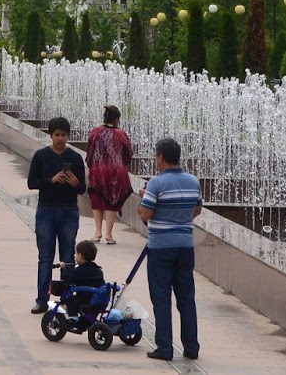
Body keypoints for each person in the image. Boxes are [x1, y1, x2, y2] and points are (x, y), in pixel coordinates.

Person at [138, 137, 203, 362]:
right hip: (185, 246)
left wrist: (143, 197)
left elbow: (145, 214)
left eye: (156, 156)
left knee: (161, 297)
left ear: (161, 157)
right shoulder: (193, 181)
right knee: (186, 298)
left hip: (161, 248)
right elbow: (196, 211)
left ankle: (165, 348)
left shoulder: (156, 183)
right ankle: (192, 348)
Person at [27, 116, 86, 313]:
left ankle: (67, 300)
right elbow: (32, 182)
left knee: (68, 258)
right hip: (46, 210)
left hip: (69, 211)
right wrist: (51, 180)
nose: (60, 139)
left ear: (68, 136)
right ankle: (42, 300)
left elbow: (82, 189)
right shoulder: (41, 156)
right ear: (51, 135)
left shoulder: (75, 158)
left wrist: (75, 183)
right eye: (57, 135)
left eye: (64, 135)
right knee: (45, 257)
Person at [85, 105, 134, 245]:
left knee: (97, 198)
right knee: (113, 200)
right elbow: (128, 153)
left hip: (98, 169)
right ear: (117, 119)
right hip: (116, 170)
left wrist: (91, 165)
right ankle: (109, 235)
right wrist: (122, 162)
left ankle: (97, 232)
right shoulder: (121, 134)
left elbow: (90, 151)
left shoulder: (95, 131)